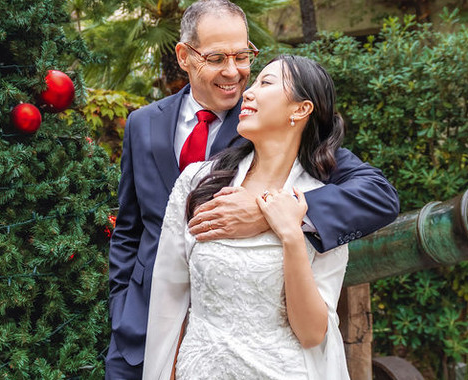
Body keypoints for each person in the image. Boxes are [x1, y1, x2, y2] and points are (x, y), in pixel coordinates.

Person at [106, 1, 400, 378]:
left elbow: (378, 194)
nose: (235, 73)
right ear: (184, 56)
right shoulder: (142, 124)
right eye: (216, 58)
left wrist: (269, 213)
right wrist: (122, 308)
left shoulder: (283, 136)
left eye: (243, 56)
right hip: (144, 331)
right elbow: (129, 230)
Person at [145, 54, 358, 379]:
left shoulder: (319, 204)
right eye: (254, 82)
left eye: (267, 83)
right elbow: (168, 301)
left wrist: (290, 235)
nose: (248, 91)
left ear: (300, 109)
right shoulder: (198, 182)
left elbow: (313, 334)